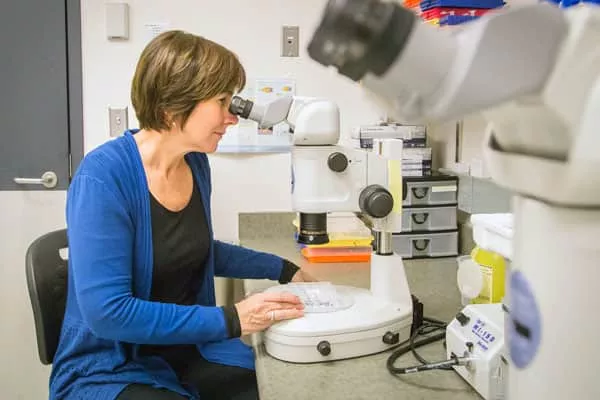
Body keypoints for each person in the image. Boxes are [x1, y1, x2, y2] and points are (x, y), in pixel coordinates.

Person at [50, 30, 315, 400]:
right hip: (112, 367)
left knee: (285, 386)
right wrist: (232, 319)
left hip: (189, 349)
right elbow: (108, 313)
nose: (232, 117)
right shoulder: (103, 177)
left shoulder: (195, 163)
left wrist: (284, 269)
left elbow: (196, 249)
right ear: (174, 105)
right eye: (222, 102)